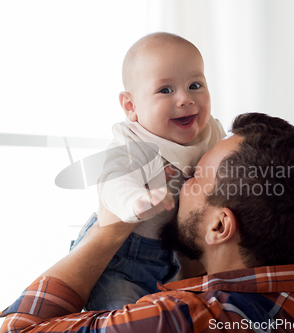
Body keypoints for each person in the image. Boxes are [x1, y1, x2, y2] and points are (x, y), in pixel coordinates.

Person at [0, 113, 294, 333]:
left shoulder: (181, 319)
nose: (183, 181)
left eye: (195, 176)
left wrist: (109, 230)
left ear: (219, 226)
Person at [68, 32, 225, 311]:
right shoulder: (135, 141)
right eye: (166, 90)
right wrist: (134, 201)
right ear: (131, 106)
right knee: (120, 316)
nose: (185, 99)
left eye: (195, 85)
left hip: (174, 258)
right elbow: (113, 181)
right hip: (122, 260)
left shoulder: (211, 132)